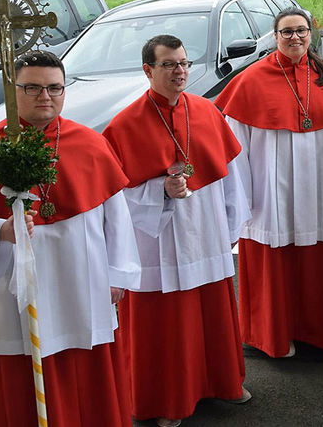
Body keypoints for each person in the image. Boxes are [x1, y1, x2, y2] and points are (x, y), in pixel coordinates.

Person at [0, 50, 141, 427]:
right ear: (12, 89)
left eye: (55, 88)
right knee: (25, 376)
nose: (45, 97)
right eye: (33, 88)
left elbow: (116, 215)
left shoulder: (89, 144)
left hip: (81, 281)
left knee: (88, 372)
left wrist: (118, 275)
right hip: (16, 287)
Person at [102, 35, 251, 427]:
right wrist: (159, 190)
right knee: (164, 324)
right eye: (169, 64)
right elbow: (115, 199)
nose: (179, 71)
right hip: (158, 240)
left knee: (212, 311)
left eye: (183, 63)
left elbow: (228, 174)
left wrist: (233, 221)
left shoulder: (205, 110)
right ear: (148, 70)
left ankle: (223, 384)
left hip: (205, 228)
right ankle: (167, 399)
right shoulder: (125, 124)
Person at [216, 8, 323, 358]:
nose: (295, 38)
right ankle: (272, 334)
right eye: (286, 32)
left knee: (314, 260)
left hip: (317, 186)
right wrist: (242, 197)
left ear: (310, 34)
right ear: (274, 37)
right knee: (272, 260)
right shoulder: (251, 80)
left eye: (301, 31)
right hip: (269, 187)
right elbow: (235, 144)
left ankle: (316, 332)